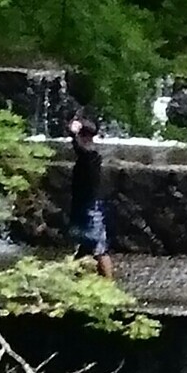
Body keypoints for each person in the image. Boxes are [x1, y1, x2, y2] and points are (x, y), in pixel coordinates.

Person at [69, 116, 112, 279]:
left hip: (90, 206)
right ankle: (75, 279)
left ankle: (109, 285)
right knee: (86, 245)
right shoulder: (89, 153)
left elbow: (79, 147)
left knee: (99, 247)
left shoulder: (90, 153)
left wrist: (73, 133)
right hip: (85, 204)